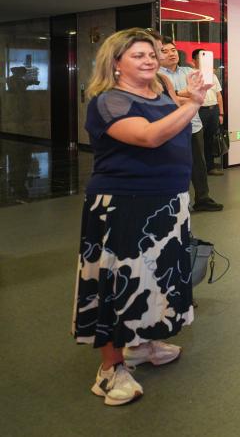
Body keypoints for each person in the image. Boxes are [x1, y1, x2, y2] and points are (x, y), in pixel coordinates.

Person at [74, 28, 209, 406]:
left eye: (151, 54)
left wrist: (188, 97)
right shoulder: (108, 101)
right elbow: (149, 136)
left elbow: (175, 116)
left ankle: (142, 343)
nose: (149, 60)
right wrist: (194, 105)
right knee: (118, 283)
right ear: (116, 63)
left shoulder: (161, 91)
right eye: (138, 55)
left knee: (156, 278)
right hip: (124, 204)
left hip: (167, 200)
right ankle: (110, 368)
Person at [158, 39, 222, 212]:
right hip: (170, 128)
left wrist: (180, 96)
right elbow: (164, 100)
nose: (171, 54)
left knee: (199, 165)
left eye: (173, 50)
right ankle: (178, 202)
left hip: (194, 125)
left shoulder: (189, 72)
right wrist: (185, 96)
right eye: (165, 51)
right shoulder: (157, 76)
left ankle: (203, 198)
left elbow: (200, 94)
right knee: (175, 166)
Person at [190, 48, 224, 175]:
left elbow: (219, 95)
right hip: (198, 111)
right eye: (201, 58)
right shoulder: (190, 75)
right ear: (194, 61)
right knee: (197, 142)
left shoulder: (212, 75)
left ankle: (210, 167)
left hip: (213, 110)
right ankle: (198, 170)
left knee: (210, 140)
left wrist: (221, 113)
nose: (204, 61)